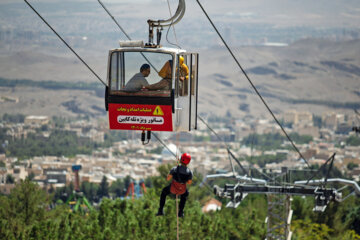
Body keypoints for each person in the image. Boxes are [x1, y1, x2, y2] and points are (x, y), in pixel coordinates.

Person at [156, 153, 193, 218]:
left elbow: (168, 178)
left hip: (173, 189)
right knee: (185, 194)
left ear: (181, 159)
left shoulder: (175, 169)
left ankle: (160, 210)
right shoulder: (189, 172)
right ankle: (181, 212)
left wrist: (176, 168)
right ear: (188, 162)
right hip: (182, 190)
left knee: (164, 192)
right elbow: (189, 182)